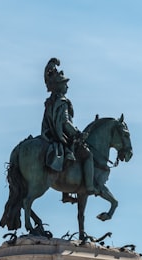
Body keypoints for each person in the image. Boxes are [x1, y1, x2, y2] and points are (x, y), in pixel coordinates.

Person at [40, 58, 96, 193]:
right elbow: (65, 122)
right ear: (59, 86)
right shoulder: (62, 102)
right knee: (87, 155)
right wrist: (77, 133)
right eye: (65, 84)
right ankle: (89, 186)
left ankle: (66, 193)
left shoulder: (50, 101)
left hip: (48, 134)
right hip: (60, 136)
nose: (67, 87)